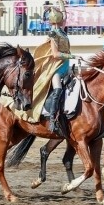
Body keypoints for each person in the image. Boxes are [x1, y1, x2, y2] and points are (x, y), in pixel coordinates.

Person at [36, 7, 76, 138]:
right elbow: (55, 53)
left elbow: (65, 16)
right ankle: (52, 120)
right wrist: (72, 56)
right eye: (61, 18)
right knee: (58, 89)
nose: (64, 20)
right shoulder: (53, 34)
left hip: (66, 66)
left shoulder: (62, 32)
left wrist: (61, 2)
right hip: (57, 68)